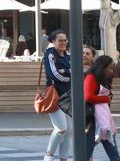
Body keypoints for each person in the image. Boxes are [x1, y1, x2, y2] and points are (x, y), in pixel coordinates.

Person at [43, 30, 73, 161]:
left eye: (65, 40)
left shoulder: (68, 55)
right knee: (61, 128)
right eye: (60, 40)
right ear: (53, 41)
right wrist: (69, 77)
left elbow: (75, 70)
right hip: (55, 95)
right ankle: (48, 155)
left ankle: (63, 158)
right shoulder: (50, 54)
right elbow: (53, 74)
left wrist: (66, 71)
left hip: (68, 95)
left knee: (69, 130)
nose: (63, 42)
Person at [85, 55, 120, 161]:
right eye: (110, 68)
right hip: (91, 119)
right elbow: (87, 96)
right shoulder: (91, 77)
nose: (112, 71)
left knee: (112, 150)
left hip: (103, 118)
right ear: (103, 67)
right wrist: (105, 99)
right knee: (87, 151)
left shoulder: (102, 78)